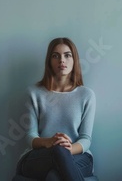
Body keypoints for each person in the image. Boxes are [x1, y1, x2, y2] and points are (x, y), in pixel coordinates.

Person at [13, 37, 96, 181]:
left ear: (74, 60)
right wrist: (49, 142)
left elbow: (86, 139)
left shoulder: (86, 95)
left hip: (77, 155)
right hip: (39, 157)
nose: (61, 60)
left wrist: (68, 149)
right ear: (49, 61)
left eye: (67, 55)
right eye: (55, 56)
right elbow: (30, 136)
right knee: (58, 151)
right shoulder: (34, 93)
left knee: (54, 176)